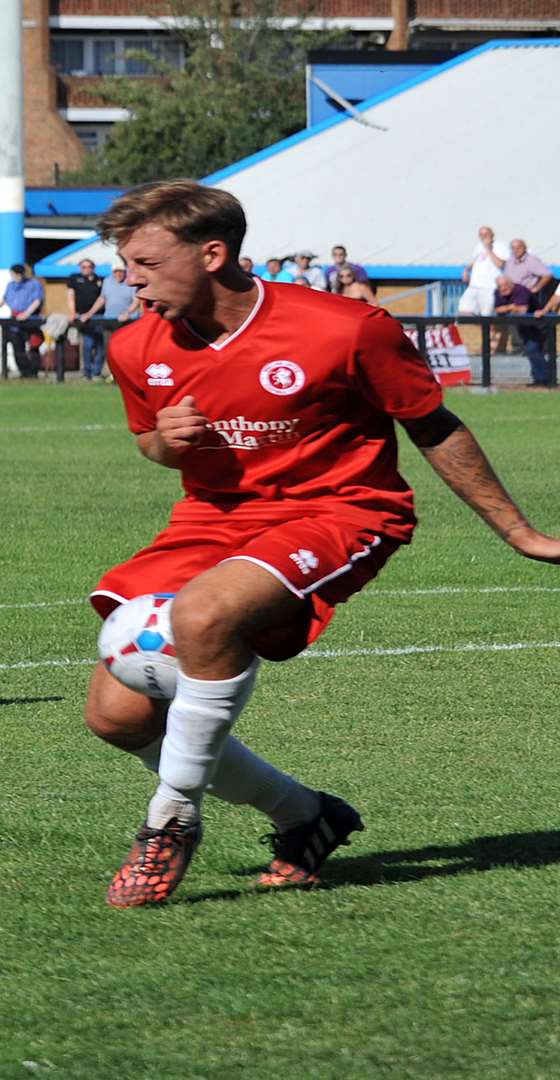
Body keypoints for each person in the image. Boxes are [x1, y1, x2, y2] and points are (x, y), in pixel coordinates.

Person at [85, 179, 560, 908]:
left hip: (343, 510)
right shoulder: (135, 345)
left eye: (144, 264)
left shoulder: (346, 327)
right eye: (125, 264)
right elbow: (151, 442)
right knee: (116, 717)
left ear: (213, 254)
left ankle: (170, 820)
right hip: (211, 518)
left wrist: (520, 532)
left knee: (205, 616)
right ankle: (306, 816)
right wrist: (163, 443)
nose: (128, 280)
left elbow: (432, 426)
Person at [0, 263, 44, 378]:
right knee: (17, 347)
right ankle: (25, 373)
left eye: (20, 274)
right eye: (15, 274)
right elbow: (4, 299)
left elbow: (37, 300)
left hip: (30, 319)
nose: (18, 276)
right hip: (15, 320)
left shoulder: (34, 284)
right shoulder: (11, 285)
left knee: (34, 345)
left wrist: (27, 314)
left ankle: (34, 372)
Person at [494, 274, 549, 386]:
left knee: (533, 349)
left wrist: (508, 308)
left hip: (538, 324)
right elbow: (498, 309)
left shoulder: (521, 290)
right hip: (523, 326)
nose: (502, 289)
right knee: (531, 351)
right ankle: (540, 378)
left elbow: (522, 309)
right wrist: (512, 307)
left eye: (505, 286)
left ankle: (544, 379)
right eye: (500, 286)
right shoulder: (498, 291)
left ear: (511, 284)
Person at [68, 258, 107, 379]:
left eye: (89, 267)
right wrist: (73, 312)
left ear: (93, 268)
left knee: (101, 345)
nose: (86, 269)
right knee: (88, 344)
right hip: (83, 317)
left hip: (99, 316)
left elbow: (103, 298)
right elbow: (70, 296)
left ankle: (97, 371)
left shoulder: (100, 280)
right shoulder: (74, 278)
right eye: (83, 267)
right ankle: (87, 372)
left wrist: (91, 313)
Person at [457, 226, 507, 317]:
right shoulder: (478, 246)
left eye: (486, 234)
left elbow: (501, 264)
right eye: (481, 235)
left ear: (492, 235)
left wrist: (488, 249)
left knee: (487, 316)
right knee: (464, 311)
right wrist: (466, 270)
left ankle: (489, 331)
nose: (484, 236)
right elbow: (475, 260)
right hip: (474, 286)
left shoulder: (500, 246)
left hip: (489, 287)